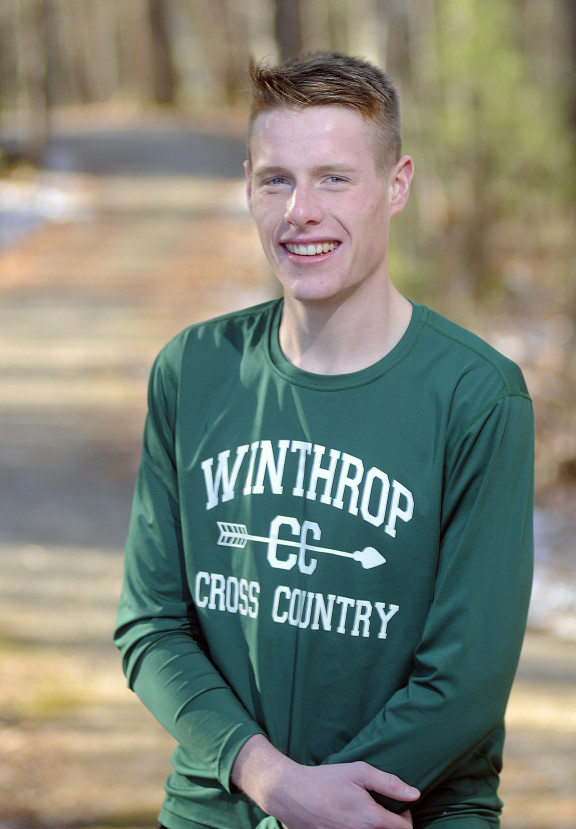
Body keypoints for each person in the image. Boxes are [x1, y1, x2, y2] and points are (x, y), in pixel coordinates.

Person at [114, 51, 534, 829]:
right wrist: (269, 779)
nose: (300, 210)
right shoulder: (195, 370)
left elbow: (466, 680)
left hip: (409, 811)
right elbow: (153, 624)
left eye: (334, 178)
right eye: (277, 179)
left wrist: (318, 807)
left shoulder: (476, 394)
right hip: (220, 805)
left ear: (397, 185)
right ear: (249, 184)